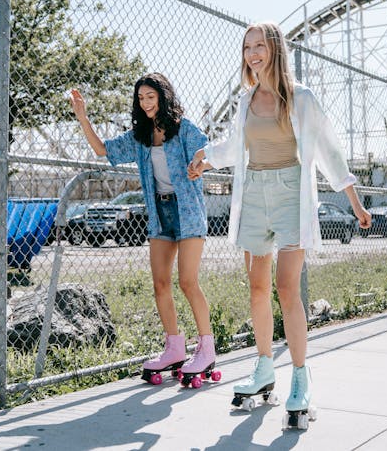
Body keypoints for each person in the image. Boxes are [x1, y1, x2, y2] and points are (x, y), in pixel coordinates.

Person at [188, 22, 371, 426]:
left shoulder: (302, 98)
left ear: (275, 50)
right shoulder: (246, 98)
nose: (253, 53)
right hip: (254, 194)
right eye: (247, 47)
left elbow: (329, 151)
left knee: (287, 287)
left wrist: (354, 200)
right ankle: (264, 365)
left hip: (291, 194)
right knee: (256, 286)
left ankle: (301, 377)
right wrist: (206, 155)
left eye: (260, 46)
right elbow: (235, 146)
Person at [70, 73, 218, 386]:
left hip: (187, 210)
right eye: (141, 98)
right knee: (160, 283)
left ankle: (206, 348)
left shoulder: (184, 128)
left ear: (163, 97)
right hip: (159, 211)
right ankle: (175, 348)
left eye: (151, 97)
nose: (146, 103)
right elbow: (103, 150)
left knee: (188, 282)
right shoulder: (140, 136)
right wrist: (83, 119)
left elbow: (208, 152)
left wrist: (200, 165)